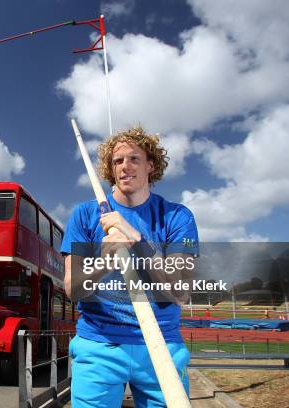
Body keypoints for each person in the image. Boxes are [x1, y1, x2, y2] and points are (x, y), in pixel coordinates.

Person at [61, 125, 199, 407]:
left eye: (134, 158)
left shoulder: (177, 217)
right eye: (117, 161)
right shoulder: (85, 215)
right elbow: (72, 289)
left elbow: (181, 291)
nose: (125, 166)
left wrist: (137, 240)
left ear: (151, 165)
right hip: (99, 344)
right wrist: (104, 262)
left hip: (162, 345)